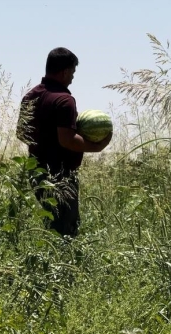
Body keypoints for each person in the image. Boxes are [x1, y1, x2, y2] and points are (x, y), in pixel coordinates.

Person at [16, 47, 112, 238]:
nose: (72, 78)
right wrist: (98, 146)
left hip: (36, 171)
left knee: (51, 223)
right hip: (61, 175)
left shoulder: (30, 96)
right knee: (65, 229)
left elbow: (21, 133)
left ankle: (45, 264)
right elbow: (67, 140)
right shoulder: (65, 100)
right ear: (65, 71)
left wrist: (43, 143)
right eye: (73, 72)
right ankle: (63, 266)